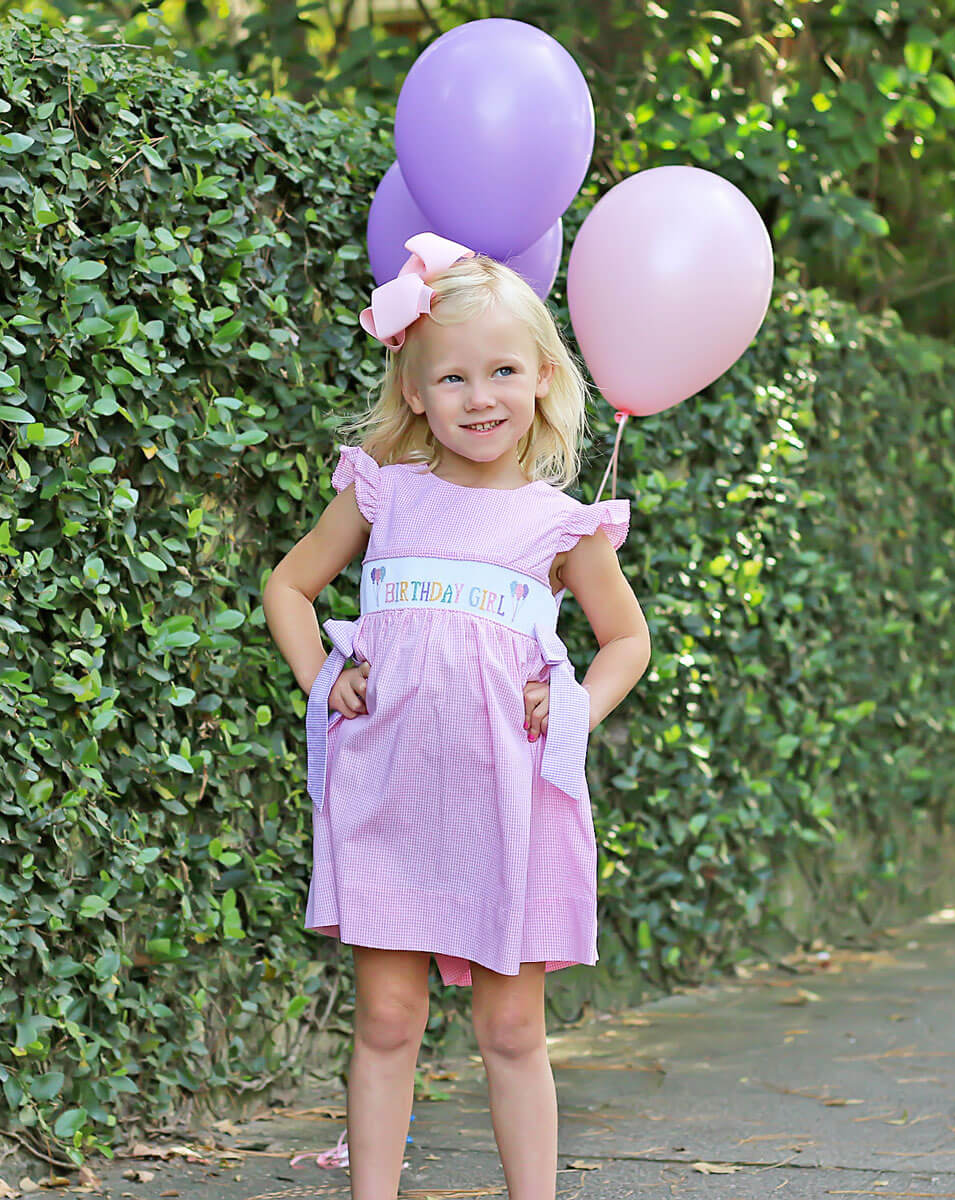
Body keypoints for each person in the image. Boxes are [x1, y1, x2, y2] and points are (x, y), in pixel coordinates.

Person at [262, 233, 650, 1200]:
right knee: (388, 1021)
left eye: (503, 372)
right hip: (391, 793)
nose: (480, 398)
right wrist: (322, 676)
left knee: (513, 1029)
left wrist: (574, 706)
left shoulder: (562, 525)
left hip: (505, 803)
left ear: (543, 378)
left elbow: (627, 643)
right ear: (414, 392)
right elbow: (290, 587)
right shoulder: (385, 495)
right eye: (453, 379)